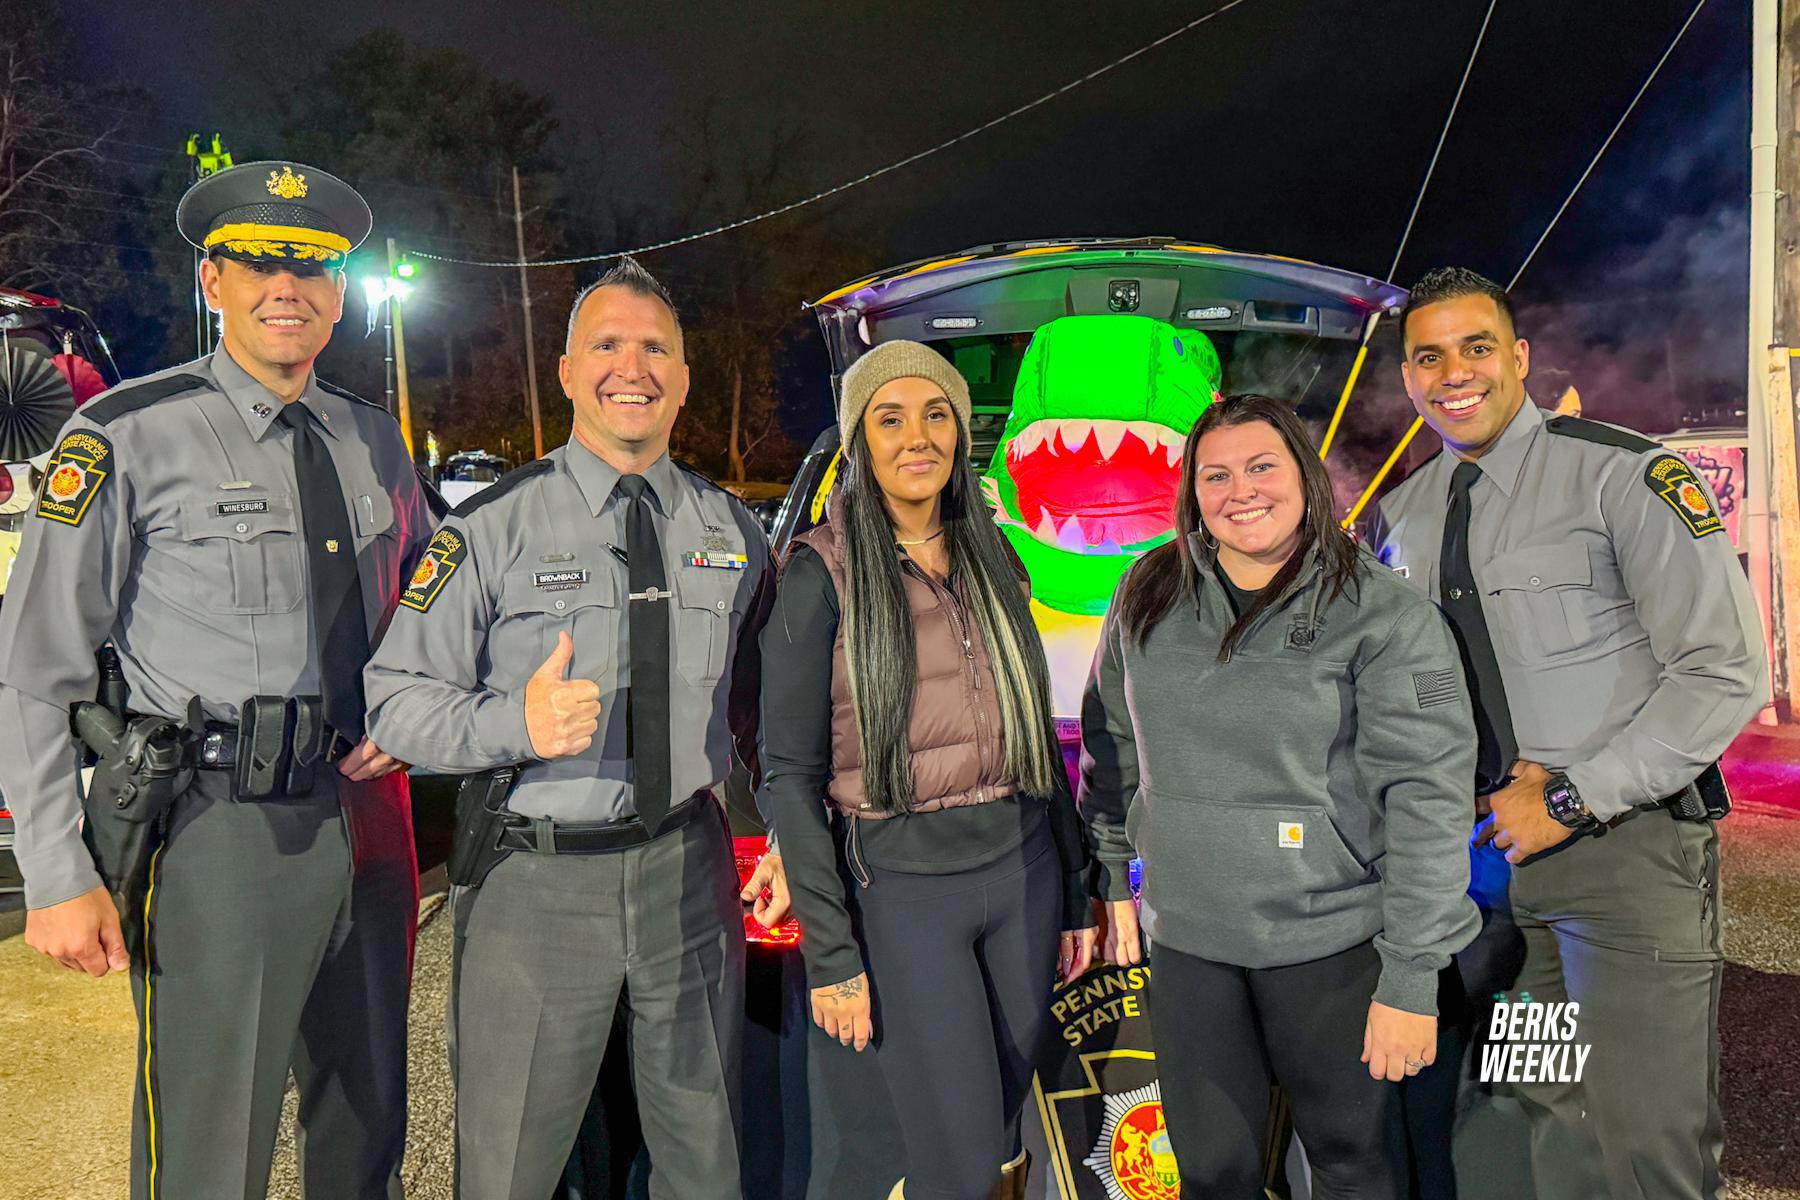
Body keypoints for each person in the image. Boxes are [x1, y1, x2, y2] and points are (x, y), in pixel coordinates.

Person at [0, 161, 433, 1198]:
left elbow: (430, 604)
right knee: (210, 1144)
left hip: (371, 820)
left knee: (366, 1125)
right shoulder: (127, 434)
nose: (287, 285)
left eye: (313, 264)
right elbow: (35, 666)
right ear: (213, 283)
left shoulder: (374, 437)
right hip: (218, 830)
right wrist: (57, 874)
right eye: (257, 262)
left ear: (339, 289)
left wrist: (429, 708)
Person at [361, 256, 777, 1200]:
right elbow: (393, 698)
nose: (632, 367)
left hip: (688, 874)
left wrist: (786, 830)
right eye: (607, 345)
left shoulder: (733, 532)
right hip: (537, 883)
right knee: (511, 1167)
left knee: (706, 1160)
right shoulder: (491, 529)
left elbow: (763, 715)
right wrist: (515, 720)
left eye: (654, 348)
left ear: (682, 375)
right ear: (565, 371)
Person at [1371, 267, 1768, 1200]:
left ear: (1518, 359)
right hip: (1499, 881)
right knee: (1547, 1122)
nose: (1453, 373)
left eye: (1477, 348)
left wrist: (1568, 799)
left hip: (1619, 862)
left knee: (1642, 1142)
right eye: (1429, 356)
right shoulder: (1405, 515)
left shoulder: (1622, 473)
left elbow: (1723, 670)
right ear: (1409, 377)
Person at [1081, 393, 1481, 1199]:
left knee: (1353, 1165)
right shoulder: (1146, 591)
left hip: (1331, 948)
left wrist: (1409, 977)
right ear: (1192, 490)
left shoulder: (1383, 614)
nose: (1241, 491)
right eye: (1216, 475)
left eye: (1262, 467)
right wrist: (1112, 868)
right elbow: (1111, 741)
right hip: (1192, 945)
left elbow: (1428, 800)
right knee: (1212, 1174)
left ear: (1304, 475)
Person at [759, 340, 1096, 1200]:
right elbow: (789, 775)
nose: (918, 436)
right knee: (958, 1153)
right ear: (860, 442)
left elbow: (1033, 741)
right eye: (890, 417)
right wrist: (834, 957)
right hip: (906, 894)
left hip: (1021, 875)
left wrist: (1073, 890)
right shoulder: (821, 572)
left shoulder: (1000, 559)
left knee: (1012, 1114)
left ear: (961, 433)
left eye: (936, 413)